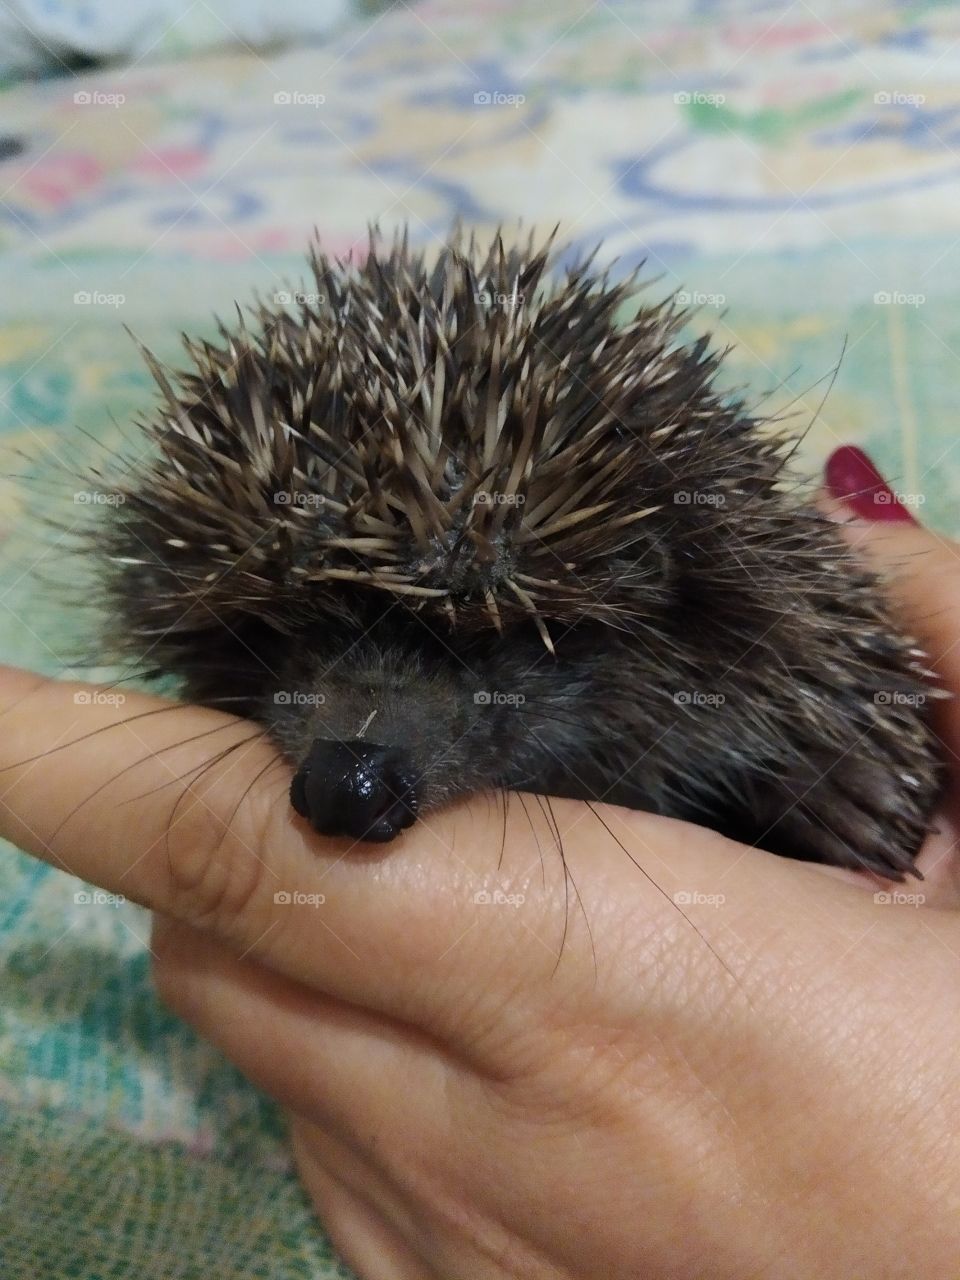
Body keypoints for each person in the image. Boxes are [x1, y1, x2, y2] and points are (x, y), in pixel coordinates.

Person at [1, 447, 959, 1280]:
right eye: (309, 644)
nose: (354, 764)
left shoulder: (744, 669)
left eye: (487, 653)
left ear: (649, 589)